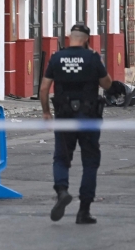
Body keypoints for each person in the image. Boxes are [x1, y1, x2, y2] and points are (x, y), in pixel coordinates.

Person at [39, 22, 112, 225]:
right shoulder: (92, 57)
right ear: (86, 39)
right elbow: (108, 84)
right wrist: (98, 62)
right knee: (90, 162)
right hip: (88, 118)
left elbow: (44, 88)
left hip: (63, 116)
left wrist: (46, 112)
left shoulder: (56, 58)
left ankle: (62, 191)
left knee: (61, 158)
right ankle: (84, 211)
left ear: (69, 37)